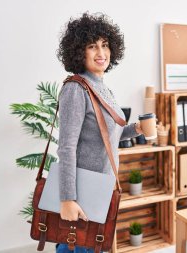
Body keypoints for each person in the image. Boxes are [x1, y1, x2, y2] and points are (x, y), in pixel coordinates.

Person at [56, 12, 143, 253]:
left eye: (105, 45)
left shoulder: (102, 87)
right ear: (79, 51)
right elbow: (66, 147)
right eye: (92, 46)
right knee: (77, 247)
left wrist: (136, 129)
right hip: (83, 192)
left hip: (102, 188)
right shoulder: (76, 88)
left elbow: (108, 136)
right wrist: (67, 199)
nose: (101, 53)